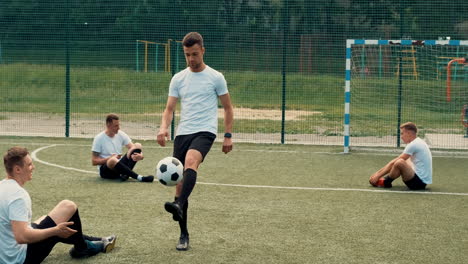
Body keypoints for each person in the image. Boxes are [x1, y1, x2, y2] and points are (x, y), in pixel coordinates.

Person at [156, 32, 234, 251]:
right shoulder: (178, 78)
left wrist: (228, 135)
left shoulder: (216, 77)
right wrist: (163, 128)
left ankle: (179, 204)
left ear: (203, 51)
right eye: (187, 55)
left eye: (195, 54)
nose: (191, 59)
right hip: (183, 133)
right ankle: (183, 234)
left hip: (205, 131)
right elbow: (169, 109)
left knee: (191, 161)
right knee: (179, 185)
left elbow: (228, 107)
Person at [0, 146, 116, 264]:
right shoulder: (18, 196)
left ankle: (91, 242)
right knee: (68, 207)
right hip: (19, 259)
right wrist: (55, 231)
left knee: (49, 218)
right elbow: (22, 237)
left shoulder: (2, 186)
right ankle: (84, 247)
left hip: (5, 254)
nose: (33, 167)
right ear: (17, 169)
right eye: (29, 164)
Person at [369, 122, 432, 190]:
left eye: (402, 133)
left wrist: (377, 175)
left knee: (399, 162)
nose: (401, 136)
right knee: (404, 160)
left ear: (409, 133)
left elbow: (394, 162)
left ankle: (386, 182)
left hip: (418, 183)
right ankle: (386, 181)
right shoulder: (418, 141)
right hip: (421, 181)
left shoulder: (413, 145)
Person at [92, 113, 153, 182]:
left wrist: (141, 155)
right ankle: (140, 178)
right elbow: (94, 161)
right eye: (116, 126)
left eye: (118, 125)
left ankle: (125, 175)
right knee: (112, 160)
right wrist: (108, 158)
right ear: (108, 125)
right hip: (106, 171)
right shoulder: (99, 138)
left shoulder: (120, 134)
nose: (119, 128)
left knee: (138, 145)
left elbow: (133, 147)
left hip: (119, 166)